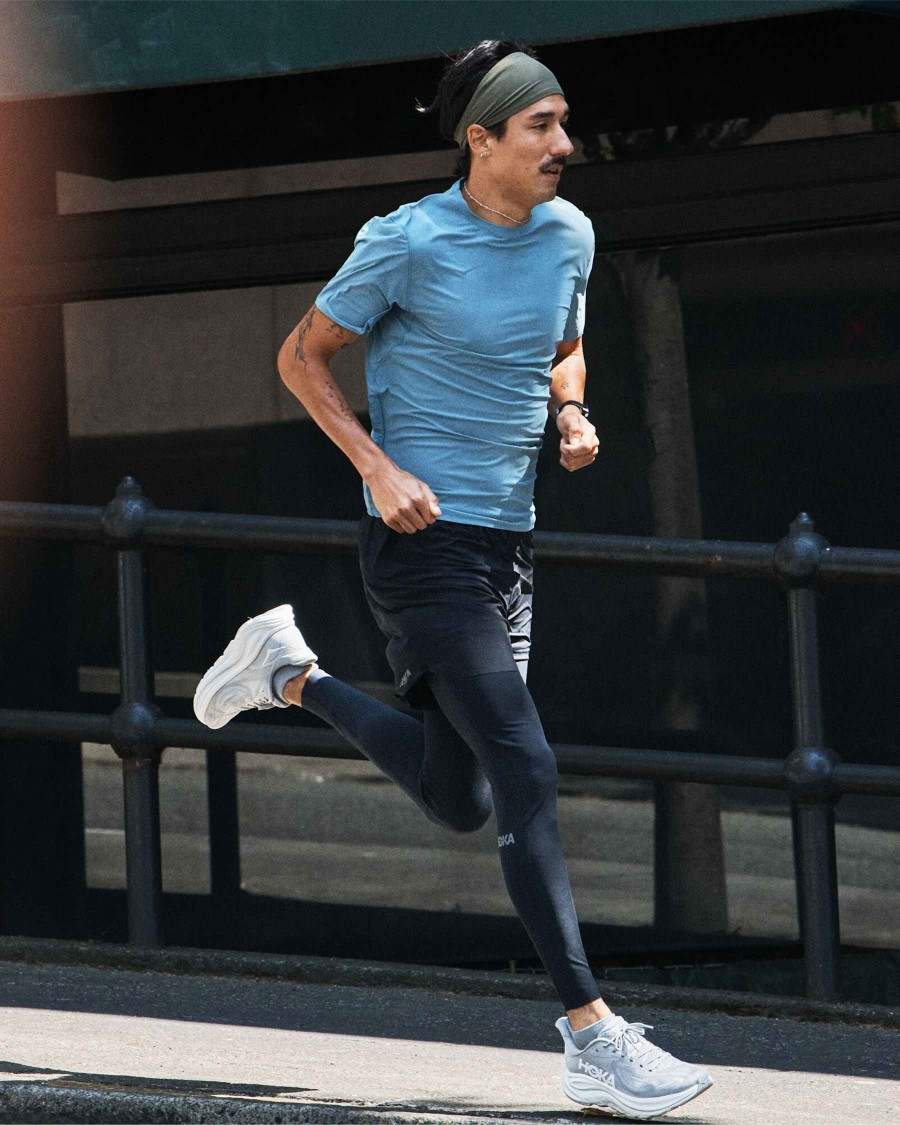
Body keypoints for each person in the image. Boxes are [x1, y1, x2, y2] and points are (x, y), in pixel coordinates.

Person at [194, 40, 712, 1120]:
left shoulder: (570, 234)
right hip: (422, 546)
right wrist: (376, 467)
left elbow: (565, 344)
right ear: (482, 139)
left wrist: (571, 410)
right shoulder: (409, 241)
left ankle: (289, 674)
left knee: (460, 794)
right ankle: (593, 1036)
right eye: (541, 126)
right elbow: (301, 357)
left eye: (564, 123)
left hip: (508, 547)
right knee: (525, 765)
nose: (565, 143)